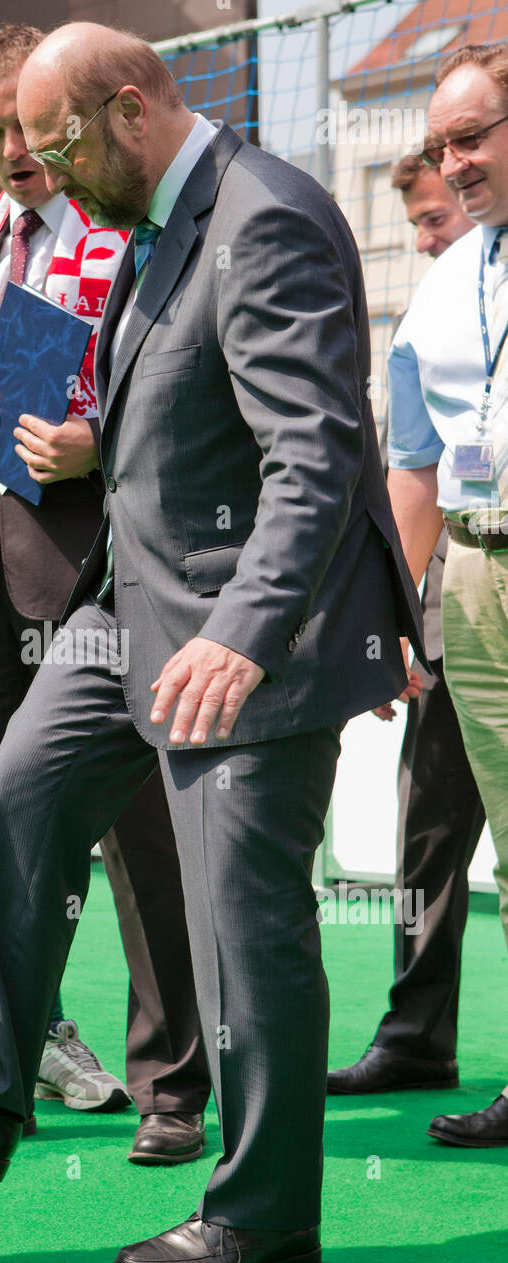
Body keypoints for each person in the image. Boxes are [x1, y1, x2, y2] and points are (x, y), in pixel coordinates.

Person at [0, 21, 425, 1263]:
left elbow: (316, 450)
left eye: (52, 139)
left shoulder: (262, 214)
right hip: (128, 611)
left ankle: (263, 1210)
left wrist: (248, 632)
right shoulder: (163, 226)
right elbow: (164, 423)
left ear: (125, 108)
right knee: (18, 799)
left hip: (232, 641)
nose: (39, 165)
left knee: (240, 923)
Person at [0, 24, 211, 1157]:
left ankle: (173, 1089)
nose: (7, 149)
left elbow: (171, 387)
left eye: (24, 128)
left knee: (141, 846)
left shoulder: (133, 222)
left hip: (99, 576)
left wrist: (95, 442)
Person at [328, 154, 484, 1097]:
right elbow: (413, 478)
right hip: (452, 598)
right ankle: (418, 1036)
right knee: (431, 829)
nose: (425, 239)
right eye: (422, 220)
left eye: (435, 219)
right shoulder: (431, 314)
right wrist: (399, 616)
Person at [379, 40, 508, 1148]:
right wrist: (388, 609)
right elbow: (413, 462)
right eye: (441, 145)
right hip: (469, 573)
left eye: (470, 139)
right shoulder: (449, 279)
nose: (451, 166)